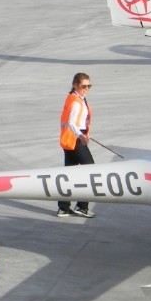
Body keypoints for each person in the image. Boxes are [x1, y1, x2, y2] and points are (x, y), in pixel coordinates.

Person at [57, 72, 95, 218]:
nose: (86, 88)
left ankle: (64, 207)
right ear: (75, 85)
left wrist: (86, 133)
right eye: (83, 86)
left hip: (69, 141)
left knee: (69, 174)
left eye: (89, 86)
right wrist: (81, 136)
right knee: (91, 170)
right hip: (75, 141)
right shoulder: (75, 102)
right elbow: (72, 123)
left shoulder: (77, 98)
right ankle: (82, 206)